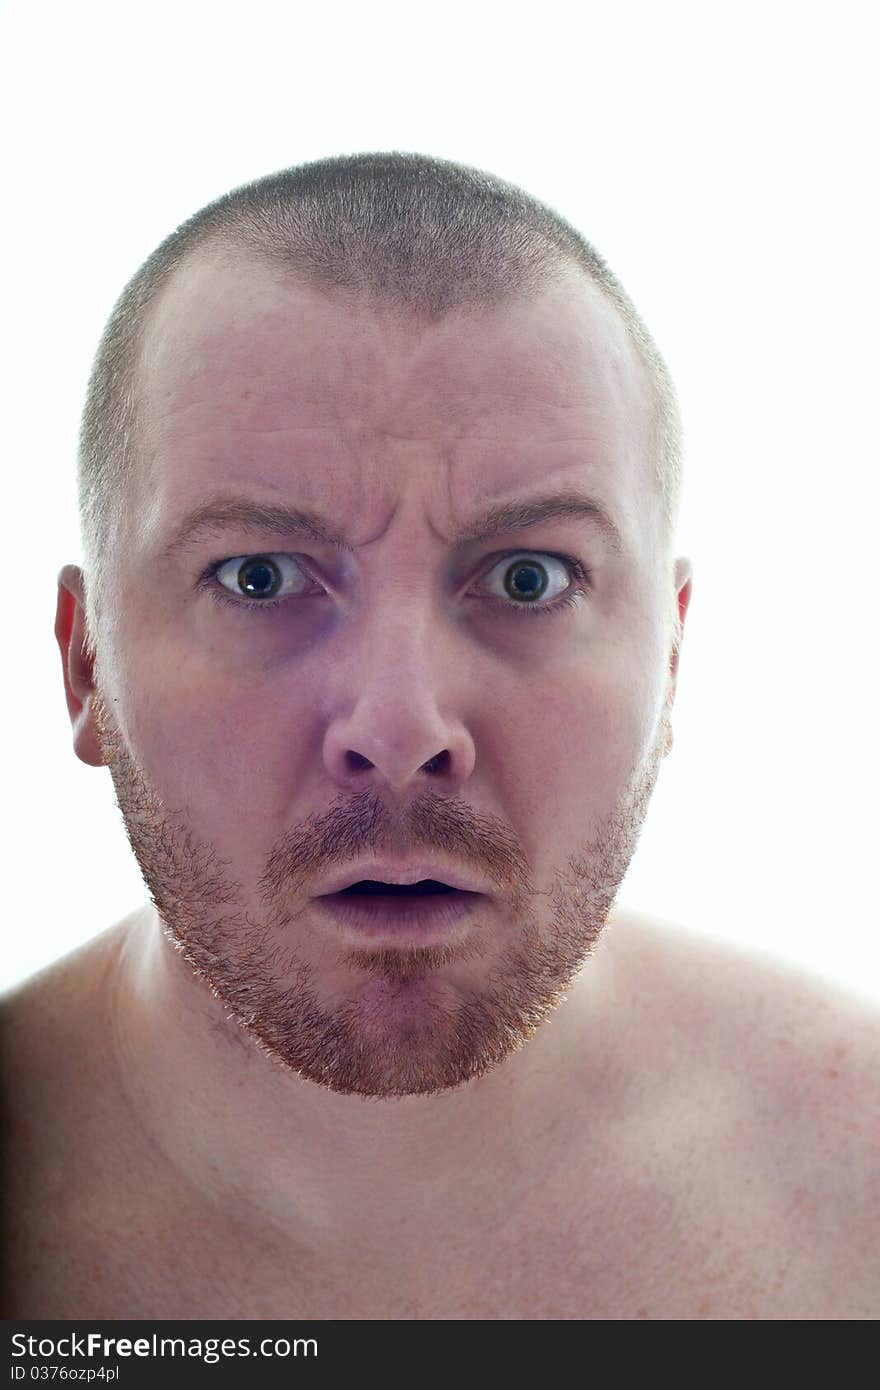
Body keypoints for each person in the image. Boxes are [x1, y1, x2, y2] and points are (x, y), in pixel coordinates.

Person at [2, 152, 877, 1321]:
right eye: (259, 576)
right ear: (86, 665)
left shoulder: (852, 1171)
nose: (402, 727)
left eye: (528, 576)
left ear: (668, 662)